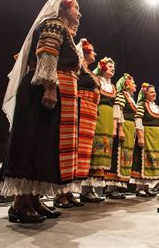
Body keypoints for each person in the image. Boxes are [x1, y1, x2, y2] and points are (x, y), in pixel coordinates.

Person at [0, 0, 81, 223]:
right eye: (76, 8)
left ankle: (33, 200)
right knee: (32, 142)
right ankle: (19, 204)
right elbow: (47, 54)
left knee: (43, 145)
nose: (80, 13)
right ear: (64, 8)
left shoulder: (62, 28)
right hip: (40, 92)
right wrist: (49, 86)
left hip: (49, 93)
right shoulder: (53, 24)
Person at [55, 38, 99, 207]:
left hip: (89, 112)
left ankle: (71, 191)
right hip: (80, 108)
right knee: (71, 148)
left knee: (81, 154)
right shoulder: (79, 67)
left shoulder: (88, 70)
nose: (94, 53)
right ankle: (61, 193)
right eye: (92, 50)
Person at [81, 57, 116, 202]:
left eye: (114, 66)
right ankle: (85, 189)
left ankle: (93, 189)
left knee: (103, 153)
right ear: (102, 67)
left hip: (108, 119)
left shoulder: (112, 86)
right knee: (93, 151)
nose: (113, 68)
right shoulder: (97, 80)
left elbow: (115, 108)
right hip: (98, 115)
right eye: (109, 66)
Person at [103, 73, 138, 198]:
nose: (135, 85)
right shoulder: (121, 95)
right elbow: (118, 111)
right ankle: (111, 188)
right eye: (133, 82)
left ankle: (115, 187)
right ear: (126, 84)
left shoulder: (129, 97)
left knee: (124, 156)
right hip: (123, 126)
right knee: (117, 155)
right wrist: (120, 129)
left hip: (130, 127)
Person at [131, 83, 159, 196]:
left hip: (155, 137)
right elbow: (138, 119)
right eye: (151, 92)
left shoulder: (157, 107)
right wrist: (140, 137)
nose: (154, 93)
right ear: (145, 94)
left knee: (152, 161)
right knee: (142, 161)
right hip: (146, 135)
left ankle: (146, 187)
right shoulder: (141, 105)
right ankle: (139, 187)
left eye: (154, 92)